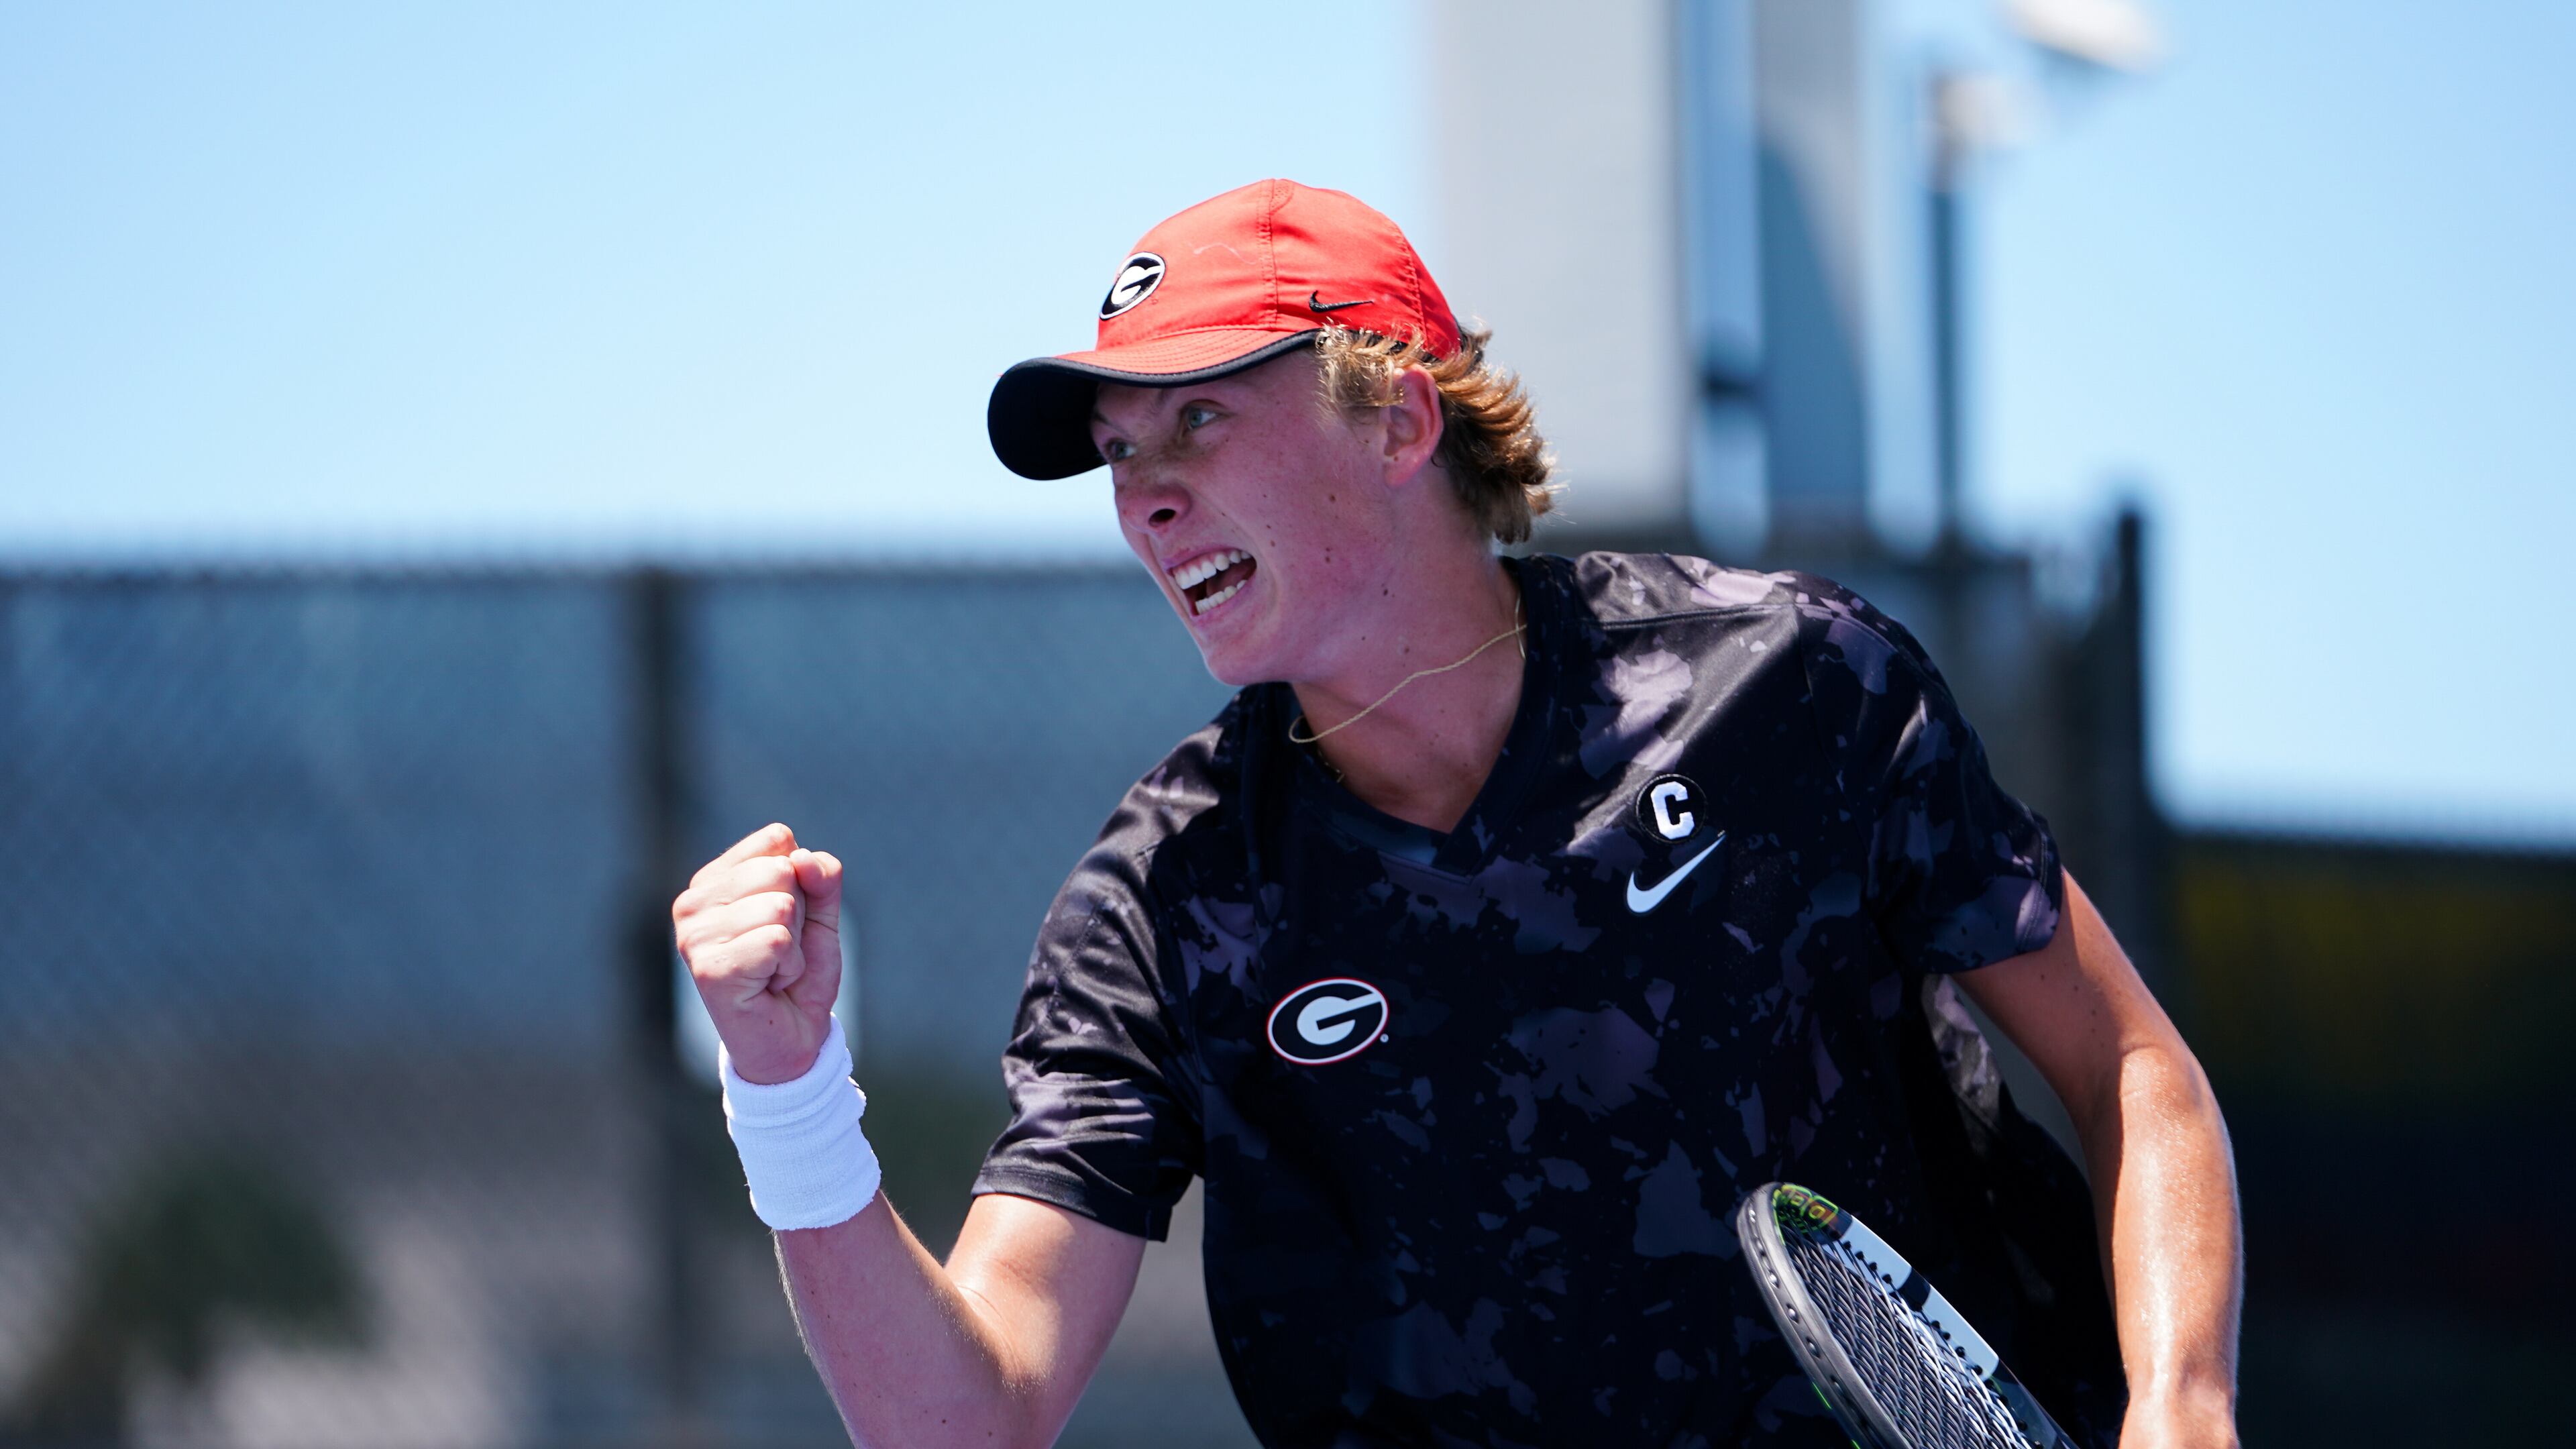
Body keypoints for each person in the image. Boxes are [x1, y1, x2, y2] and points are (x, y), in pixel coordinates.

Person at [672, 179, 2242, 1448]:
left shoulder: (1793, 686)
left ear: (1401, 422)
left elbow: (2131, 1066)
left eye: (1200, 423)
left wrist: (2180, 1406)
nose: (1144, 498)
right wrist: (787, 1093)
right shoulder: (1165, 903)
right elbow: (973, 1421)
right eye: (1119, 456)